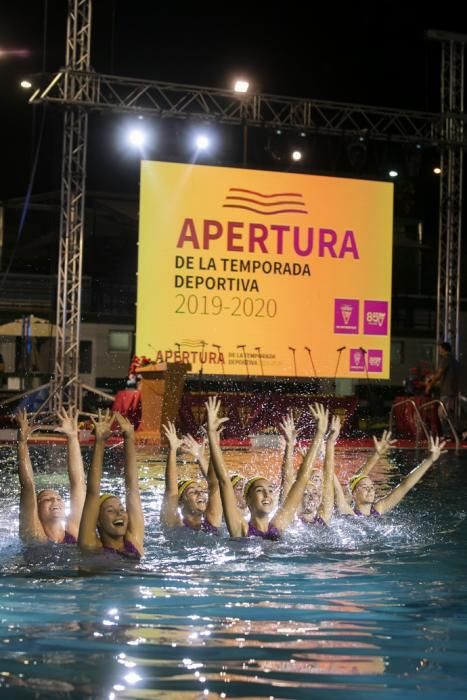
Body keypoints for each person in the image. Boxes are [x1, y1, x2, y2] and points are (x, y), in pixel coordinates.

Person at [205, 396, 328, 539]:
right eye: (259, 490)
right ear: (248, 499)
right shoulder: (241, 529)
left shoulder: (278, 525)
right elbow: (224, 481)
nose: (267, 494)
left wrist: (319, 434)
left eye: (269, 490)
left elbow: (302, 479)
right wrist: (212, 435)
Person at [78, 410, 144, 558]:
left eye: (121, 509)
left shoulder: (135, 542)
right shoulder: (90, 546)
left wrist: (129, 438)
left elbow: (132, 488)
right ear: (98, 521)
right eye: (110, 510)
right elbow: (92, 492)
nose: (119, 513)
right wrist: (100, 442)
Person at [15, 407, 86, 544]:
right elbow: (27, 485)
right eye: (47, 499)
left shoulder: (74, 531)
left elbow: (78, 482)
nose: (55, 501)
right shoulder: (34, 534)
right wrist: (22, 443)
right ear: (37, 509)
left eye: (58, 498)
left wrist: (72, 437)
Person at [334, 436, 446, 517]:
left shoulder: (378, 508)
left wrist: (429, 460)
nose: (370, 490)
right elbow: (357, 477)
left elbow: (405, 486)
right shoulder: (347, 512)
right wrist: (376, 455)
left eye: (372, 487)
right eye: (364, 487)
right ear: (353, 493)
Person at [160, 421, 222, 533]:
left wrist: (209, 449)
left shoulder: (212, 520)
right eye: (192, 492)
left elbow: (214, 483)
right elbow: (171, 490)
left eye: (201, 490)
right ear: (180, 502)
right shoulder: (173, 523)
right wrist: (173, 450)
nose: (200, 494)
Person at [278, 411, 339, 525]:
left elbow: (329, 476)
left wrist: (330, 442)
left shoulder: (324, 516)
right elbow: (287, 479)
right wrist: (289, 445)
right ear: (297, 498)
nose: (311, 496)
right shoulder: (290, 517)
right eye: (305, 494)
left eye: (315, 493)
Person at [425, 341, 461, 439]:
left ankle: (450, 434)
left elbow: (439, 374)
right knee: (448, 412)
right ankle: (452, 433)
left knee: (443, 413)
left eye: (439, 349)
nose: (438, 351)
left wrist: (430, 385)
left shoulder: (446, 359)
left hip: (447, 391)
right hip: (452, 391)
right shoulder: (454, 361)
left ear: (443, 349)